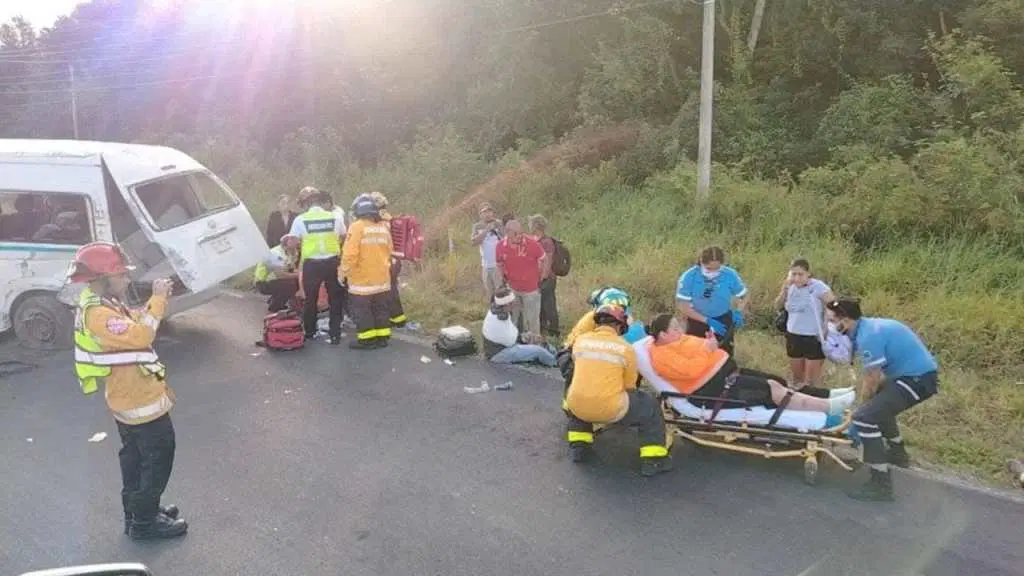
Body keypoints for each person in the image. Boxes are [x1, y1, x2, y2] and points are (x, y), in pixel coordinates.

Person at [67, 242, 187, 540]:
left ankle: (140, 510)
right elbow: (142, 334)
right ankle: (144, 523)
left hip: (131, 399)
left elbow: (134, 322)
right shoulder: (98, 314)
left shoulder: (103, 303)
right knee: (157, 458)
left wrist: (153, 302)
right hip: (137, 403)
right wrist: (158, 299)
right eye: (121, 274)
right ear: (101, 277)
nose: (126, 279)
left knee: (136, 461)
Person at [826, 297, 940, 502]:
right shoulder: (868, 327)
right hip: (913, 376)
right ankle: (897, 453)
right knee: (880, 405)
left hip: (917, 379)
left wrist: (858, 415)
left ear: (846, 320)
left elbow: (871, 379)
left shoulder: (868, 336)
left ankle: (881, 484)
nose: (831, 324)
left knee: (865, 417)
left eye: (833, 320)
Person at [646, 314, 855, 420]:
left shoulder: (678, 340)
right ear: (662, 335)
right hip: (712, 389)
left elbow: (704, 348)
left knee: (780, 381)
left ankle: (827, 394)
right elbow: (690, 370)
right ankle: (829, 407)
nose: (679, 329)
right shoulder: (661, 356)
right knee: (773, 388)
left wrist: (710, 342)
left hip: (726, 373)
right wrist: (707, 349)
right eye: (674, 327)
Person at [564, 305, 673, 476]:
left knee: (584, 393)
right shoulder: (625, 348)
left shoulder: (580, 341)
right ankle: (654, 459)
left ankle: (578, 446)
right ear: (619, 325)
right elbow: (629, 386)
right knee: (650, 405)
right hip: (609, 409)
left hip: (575, 404)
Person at [289, 187, 345, 344]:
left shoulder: (300, 220)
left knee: (310, 299)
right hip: (333, 263)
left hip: (311, 265)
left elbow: (292, 243)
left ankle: (310, 331)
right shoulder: (335, 217)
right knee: (335, 298)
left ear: (305, 204)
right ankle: (335, 333)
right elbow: (343, 236)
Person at [341, 193, 394, 350]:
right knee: (380, 309)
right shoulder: (383, 227)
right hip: (382, 279)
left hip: (362, 280)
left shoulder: (357, 227)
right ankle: (382, 337)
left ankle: (367, 340)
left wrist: (343, 272)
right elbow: (389, 250)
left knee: (362, 311)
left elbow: (350, 254)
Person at [675, 246, 748, 355]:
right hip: (697, 320)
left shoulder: (730, 275)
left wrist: (738, 311)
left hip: (723, 319)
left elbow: (743, 295)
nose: (713, 272)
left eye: (717, 269)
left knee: (724, 353)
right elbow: (682, 305)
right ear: (701, 263)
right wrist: (706, 320)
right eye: (709, 269)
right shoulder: (689, 277)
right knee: (695, 353)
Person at [774, 259, 836, 388]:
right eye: (794, 274)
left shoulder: (818, 287)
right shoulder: (789, 286)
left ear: (808, 273)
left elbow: (834, 305)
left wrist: (827, 327)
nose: (797, 278)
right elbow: (777, 305)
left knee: (811, 382)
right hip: (793, 335)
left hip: (813, 336)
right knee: (797, 380)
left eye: (800, 274)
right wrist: (784, 290)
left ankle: (818, 403)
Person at [495, 219, 546, 336]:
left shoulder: (531, 243)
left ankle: (535, 345)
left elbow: (543, 259)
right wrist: (503, 278)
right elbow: (499, 263)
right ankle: (515, 340)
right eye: (516, 234)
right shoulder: (500, 246)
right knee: (514, 318)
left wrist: (542, 277)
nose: (519, 236)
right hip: (513, 288)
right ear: (508, 233)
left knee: (532, 320)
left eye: (521, 233)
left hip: (531, 289)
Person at [482, 288, 557, 366]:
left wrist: (526, 337)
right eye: (512, 302)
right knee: (539, 351)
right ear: (507, 304)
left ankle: (557, 356)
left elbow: (512, 335)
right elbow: (510, 342)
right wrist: (527, 338)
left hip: (502, 347)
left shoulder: (497, 312)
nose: (514, 304)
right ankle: (557, 364)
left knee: (542, 344)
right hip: (498, 354)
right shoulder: (498, 320)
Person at [370, 191, 408, 329]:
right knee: (392, 288)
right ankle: (398, 318)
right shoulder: (388, 218)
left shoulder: (380, 220)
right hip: (394, 259)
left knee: (387, 289)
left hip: (387, 259)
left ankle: (393, 318)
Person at [528, 214, 560, 337]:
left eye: (531, 224)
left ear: (536, 226)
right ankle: (544, 328)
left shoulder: (546, 242)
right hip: (539, 277)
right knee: (541, 305)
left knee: (549, 304)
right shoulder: (537, 240)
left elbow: (548, 260)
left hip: (547, 278)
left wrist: (543, 277)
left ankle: (554, 331)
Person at [253, 234, 301, 312]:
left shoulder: (291, 252)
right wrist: (300, 275)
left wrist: (302, 273)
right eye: (295, 241)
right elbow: (280, 275)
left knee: (296, 281)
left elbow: (291, 268)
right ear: (288, 241)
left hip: (272, 280)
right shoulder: (276, 254)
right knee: (290, 285)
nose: (298, 243)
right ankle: (275, 307)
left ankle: (275, 299)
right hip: (263, 282)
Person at [470, 203, 505, 302]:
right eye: (484, 212)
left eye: (489, 211)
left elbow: (505, 239)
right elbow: (474, 242)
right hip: (485, 265)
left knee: (501, 291)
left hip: (498, 265)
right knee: (490, 293)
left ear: (493, 213)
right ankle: (493, 313)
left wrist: (496, 229)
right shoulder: (477, 226)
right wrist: (486, 230)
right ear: (480, 214)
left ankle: (504, 314)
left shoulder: (499, 223)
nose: (487, 214)